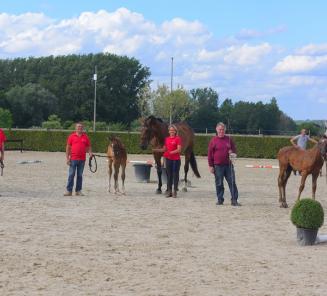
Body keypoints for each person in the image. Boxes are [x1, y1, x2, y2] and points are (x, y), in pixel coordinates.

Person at [208, 122, 240, 206]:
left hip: (229, 165)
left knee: (232, 182)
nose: (221, 131)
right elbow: (209, 154)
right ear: (217, 130)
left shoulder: (229, 139)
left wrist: (232, 153)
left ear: (225, 130)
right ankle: (220, 200)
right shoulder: (213, 140)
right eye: (220, 129)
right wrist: (211, 166)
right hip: (217, 166)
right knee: (219, 183)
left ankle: (234, 200)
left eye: (223, 129)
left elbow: (235, 151)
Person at [64, 122, 93, 196]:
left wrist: (90, 153)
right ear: (75, 128)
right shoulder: (71, 136)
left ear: (82, 128)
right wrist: (67, 158)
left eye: (81, 127)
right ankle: (69, 191)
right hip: (73, 159)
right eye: (78, 127)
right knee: (71, 174)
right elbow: (68, 147)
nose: (79, 128)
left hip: (82, 159)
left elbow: (89, 146)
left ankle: (78, 190)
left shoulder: (85, 137)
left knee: (80, 175)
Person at [153, 124, 182, 198]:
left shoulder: (178, 139)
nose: (171, 131)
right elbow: (164, 149)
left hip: (176, 160)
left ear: (175, 131)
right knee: (169, 175)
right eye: (170, 130)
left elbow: (179, 149)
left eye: (173, 130)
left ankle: (175, 191)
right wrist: (156, 150)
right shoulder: (167, 139)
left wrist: (171, 152)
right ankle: (169, 191)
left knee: (175, 175)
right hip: (168, 159)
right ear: (168, 131)